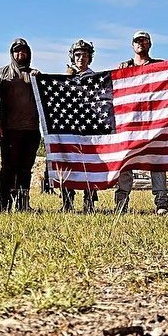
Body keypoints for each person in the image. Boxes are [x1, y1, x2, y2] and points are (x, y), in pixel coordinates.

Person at [115, 31, 168, 214]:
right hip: (130, 122)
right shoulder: (124, 68)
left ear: (149, 44)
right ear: (132, 45)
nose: (140, 44)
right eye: (137, 41)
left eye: (144, 41)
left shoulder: (159, 66)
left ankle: (161, 202)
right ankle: (122, 202)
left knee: (157, 160)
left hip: (154, 121)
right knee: (126, 161)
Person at [0, 38, 41, 212]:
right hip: (9, 129)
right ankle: (4, 203)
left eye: (24, 51)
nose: (20, 54)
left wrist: (39, 80)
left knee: (25, 169)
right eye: (17, 51)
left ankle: (23, 203)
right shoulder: (2, 74)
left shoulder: (35, 75)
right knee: (8, 167)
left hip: (31, 130)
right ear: (11, 54)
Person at [60, 40, 98, 213]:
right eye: (77, 55)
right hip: (70, 127)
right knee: (68, 162)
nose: (81, 58)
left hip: (89, 128)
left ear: (90, 57)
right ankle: (67, 201)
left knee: (89, 163)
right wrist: (67, 79)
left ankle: (89, 200)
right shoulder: (66, 76)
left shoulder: (96, 78)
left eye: (84, 55)